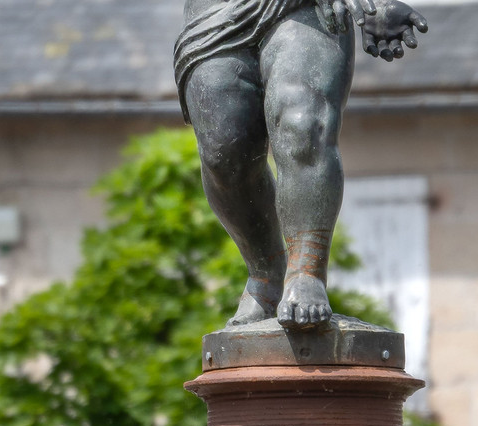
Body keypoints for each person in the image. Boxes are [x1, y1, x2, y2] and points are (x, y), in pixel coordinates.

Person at [175, 0, 428, 329]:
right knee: (224, 153)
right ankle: (266, 272)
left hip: (309, 10)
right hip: (218, 12)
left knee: (304, 126)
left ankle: (306, 270)